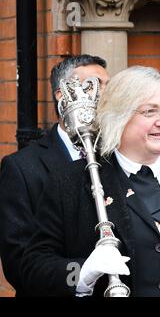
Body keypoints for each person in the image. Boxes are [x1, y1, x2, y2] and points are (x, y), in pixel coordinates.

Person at [20, 66, 160, 297]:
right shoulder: (71, 182)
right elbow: (33, 268)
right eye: (150, 112)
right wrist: (83, 271)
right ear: (118, 116)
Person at [0, 54, 110, 296]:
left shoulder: (114, 158)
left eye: (108, 86)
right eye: (96, 85)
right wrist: (85, 273)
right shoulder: (21, 168)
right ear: (63, 94)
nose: (106, 94)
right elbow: (20, 264)